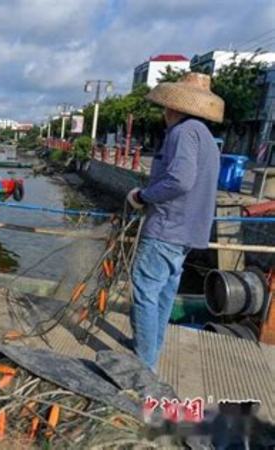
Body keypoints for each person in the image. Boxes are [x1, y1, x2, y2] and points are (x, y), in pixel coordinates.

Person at [126, 73, 224, 370]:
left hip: (167, 229)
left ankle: (144, 366)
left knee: (144, 291)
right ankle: (152, 349)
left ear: (172, 106)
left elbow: (179, 180)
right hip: (188, 233)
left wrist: (143, 196)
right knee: (165, 292)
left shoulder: (183, 133)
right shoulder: (205, 137)